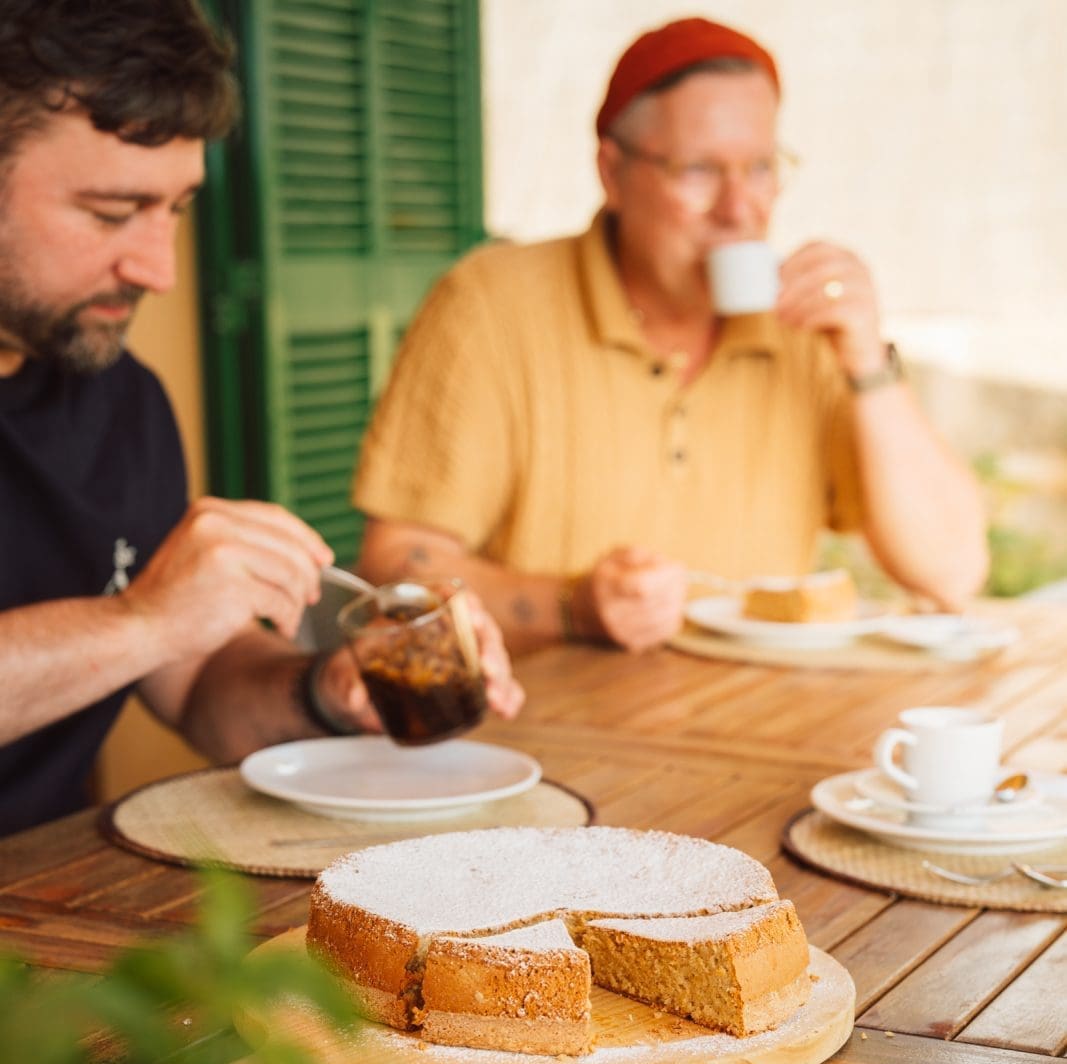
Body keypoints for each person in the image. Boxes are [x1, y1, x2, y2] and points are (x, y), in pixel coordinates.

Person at [0, 0, 522, 840]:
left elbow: (197, 684)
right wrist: (141, 618)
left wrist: (327, 687)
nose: (159, 268)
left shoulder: (119, 399)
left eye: (174, 209)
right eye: (109, 213)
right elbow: (149, 634)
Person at [353, 16, 988, 655]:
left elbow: (953, 574)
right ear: (612, 172)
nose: (740, 209)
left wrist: (867, 360)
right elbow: (396, 564)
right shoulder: (490, 305)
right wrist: (573, 608)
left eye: (762, 167)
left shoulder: (805, 329)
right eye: (699, 171)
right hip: (549, 735)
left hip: (765, 729)